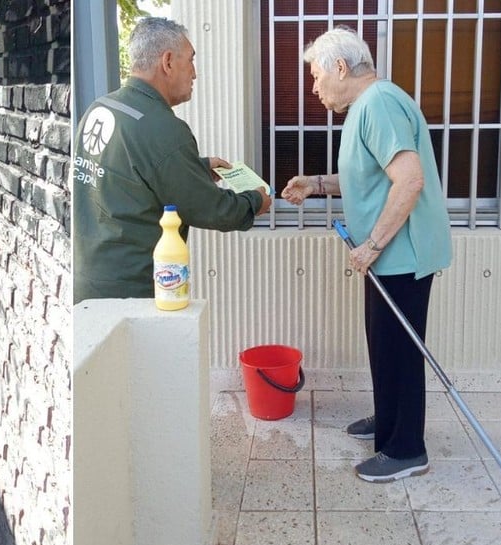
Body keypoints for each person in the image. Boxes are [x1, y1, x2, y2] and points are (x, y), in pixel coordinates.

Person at [281, 27, 452, 482]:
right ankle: (389, 418)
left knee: (399, 349)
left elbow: (409, 179)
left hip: (400, 253)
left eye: (316, 76)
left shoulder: (378, 104)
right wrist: (316, 184)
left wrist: (372, 244)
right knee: (383, 343)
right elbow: (369, 175)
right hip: (385, 256)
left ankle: (406, 449)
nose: (314, 88)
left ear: (340, 67)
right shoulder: (367, 105)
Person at [73, 17, 271, 302]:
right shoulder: (162, 128)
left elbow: (128, 174)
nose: (195, 73)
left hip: (87, 282)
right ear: (167, 62)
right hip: (130, 293)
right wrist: (255, 201)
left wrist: (197, 168)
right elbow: (210, 208)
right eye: (190, 60)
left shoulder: (101, 107)